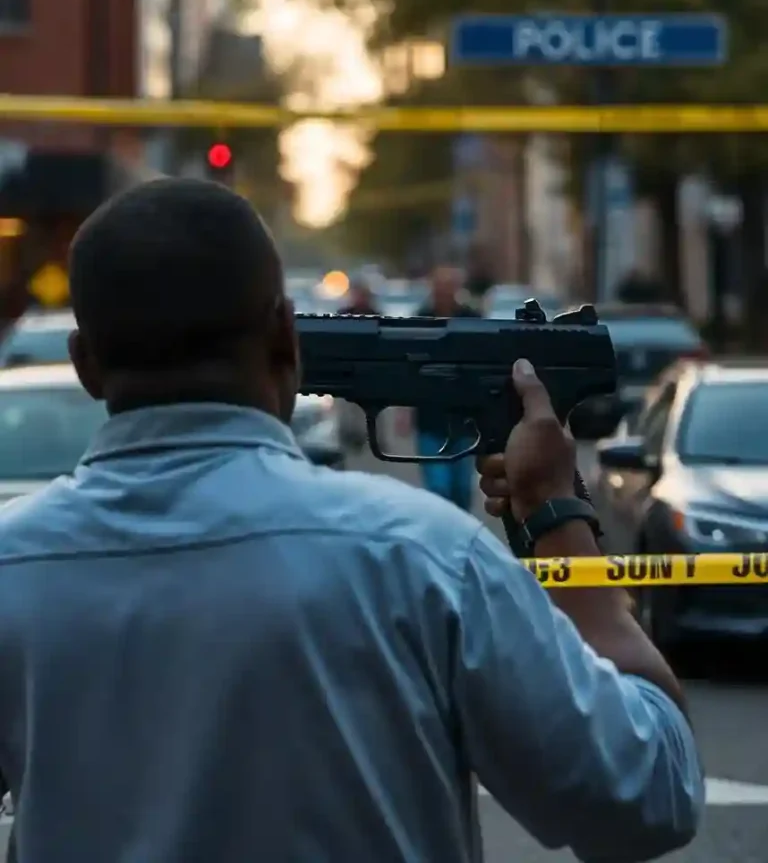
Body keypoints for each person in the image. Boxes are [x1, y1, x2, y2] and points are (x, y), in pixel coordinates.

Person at [0, 178, 702, 863]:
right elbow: (648, 795)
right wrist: (556, 509)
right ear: (286, 333)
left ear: (85, 365)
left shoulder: (12, 565)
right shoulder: (427, 558)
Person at [406, 265, 482, 511]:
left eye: (449, 286)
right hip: (430, 420)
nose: (444, 292)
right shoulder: (420, 319)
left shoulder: (472, 320)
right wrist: (402, 408)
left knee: (462, 489)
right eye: (439, 287)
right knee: (438, 489)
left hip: (464, 420)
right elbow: (409, 369)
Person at [337, 278, 380, 449]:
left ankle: (372, 437)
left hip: (369, 373)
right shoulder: (343, 314)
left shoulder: (376, 315)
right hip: (348, 371)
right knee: (348, 411)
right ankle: (350, 435)